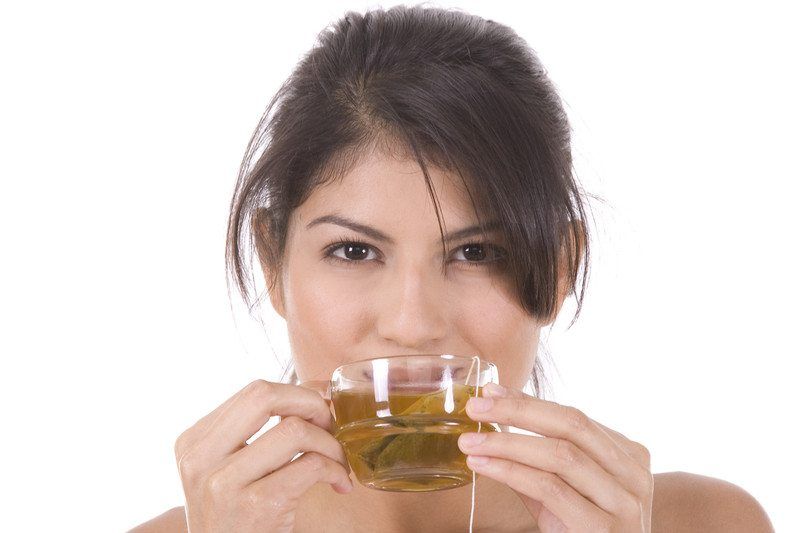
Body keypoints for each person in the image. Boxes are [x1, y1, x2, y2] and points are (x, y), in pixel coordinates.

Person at [131, 5, 773, 532]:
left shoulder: (703, 523)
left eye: (476, 253)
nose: (412, 325)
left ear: (559, 269)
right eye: (354, 251)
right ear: (273, 264)